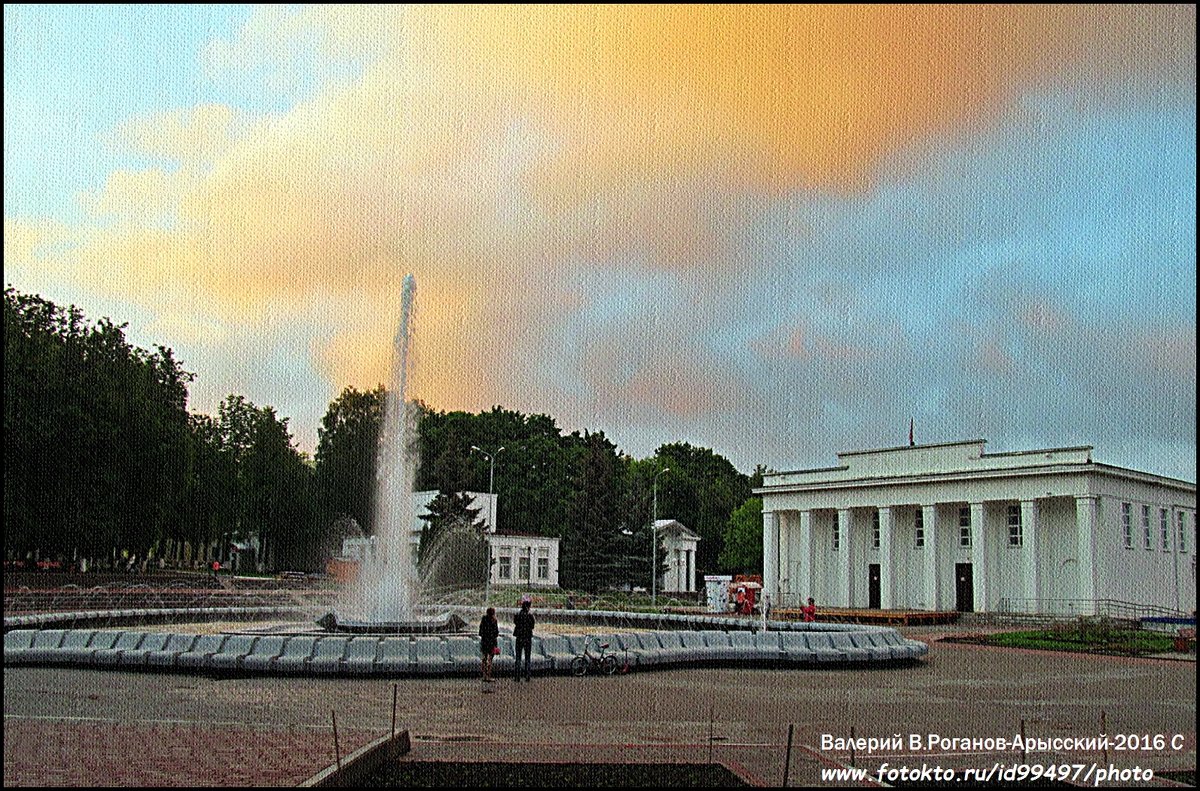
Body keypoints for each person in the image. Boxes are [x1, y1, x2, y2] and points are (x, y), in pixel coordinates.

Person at [513, 597, 535, 682]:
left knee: (518, 658)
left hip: (519, 638)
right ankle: (527, 676)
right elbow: (532, 626)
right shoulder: (530, 616)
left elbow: (515, 623)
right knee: (527, 658)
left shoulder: (517, 615)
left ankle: (517, 677)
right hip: (528, 638)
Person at [479, 606, 499, 687]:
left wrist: (484, 636)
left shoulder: (483, 619)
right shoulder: (494, 621)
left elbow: (480, 632)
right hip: (492, 642)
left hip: (484, 642)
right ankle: (489, 676)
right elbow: (496, 633)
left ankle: (484, 675)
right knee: (490, 659)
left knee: (484, 658)